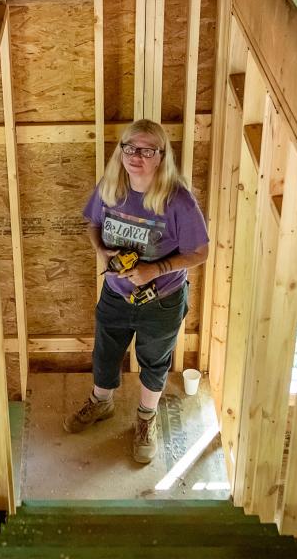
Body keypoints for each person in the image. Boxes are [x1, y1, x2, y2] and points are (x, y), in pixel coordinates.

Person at [64, 118, 209, 464]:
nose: (136, 156)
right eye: (129, 148)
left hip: (161, 301)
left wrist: (155, 269)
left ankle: (146, 418)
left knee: (154, 361)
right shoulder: (111, 187)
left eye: (146, 150)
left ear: (161, 156)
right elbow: (93, 225)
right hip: (115, 292)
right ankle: (102, 403)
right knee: (105, 352)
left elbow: (200, 252)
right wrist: (101, 251)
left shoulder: (178, 201)